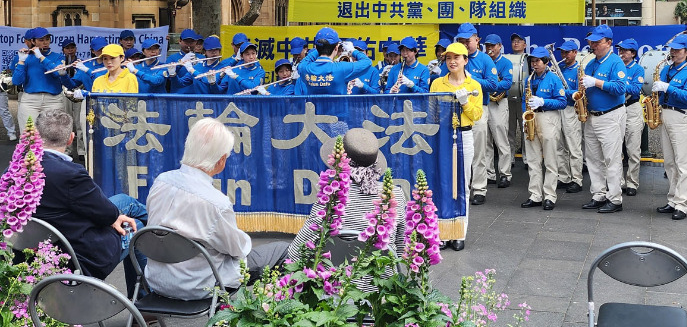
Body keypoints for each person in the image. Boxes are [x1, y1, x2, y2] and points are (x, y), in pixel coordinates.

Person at [145, 118, 288, 298]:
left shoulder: (160, 181)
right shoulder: (216, 203)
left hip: (157, 280)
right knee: (283, 250)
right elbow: (237, 250)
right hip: (198, 285)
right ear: (221, 160)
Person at [32, 110, 147, 291]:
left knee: (125, 201)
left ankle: (162, 232)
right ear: (71, 138)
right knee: (137, 227)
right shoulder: (71, 174)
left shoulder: (15, 169)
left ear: (36, 136)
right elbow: (105, 214)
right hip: (76, 255)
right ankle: (144, 298)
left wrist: (113, 217)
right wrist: (112, 218)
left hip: (36, 245)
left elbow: (106, 212)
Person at [287, 128, 406, 285]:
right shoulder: (395, 194)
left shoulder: (330, 196)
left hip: (332, 288)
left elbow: (296, 252)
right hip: (379, 289)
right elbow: (398, 249)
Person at [430, 42, 483, 251]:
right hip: (442, 137)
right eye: (448, 58)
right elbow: (431, 112)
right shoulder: (437, 84)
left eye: (457, 58)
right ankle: (443, 233)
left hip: (464, 135)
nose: (452, 61)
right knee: (442, 184)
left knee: (462, 185)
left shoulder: (474, 85)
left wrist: (465, 102)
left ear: (465, 60)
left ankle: (459, 232)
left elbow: (476, 115)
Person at [651, 33, 687, 220]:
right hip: (668, 114)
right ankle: (672, 199)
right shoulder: (667, 69)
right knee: (670, 162)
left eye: (677, 50)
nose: (673, 52)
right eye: (672, 49)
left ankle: (681, 203)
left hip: (683, 116)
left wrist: (667, 88)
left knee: (683, 163)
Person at [580, 25, 626, 213]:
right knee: (593, 158)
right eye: (592, 42)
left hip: (611, 115)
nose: (593, 45)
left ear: (609, 43)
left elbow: (620, 88)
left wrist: (597, 83)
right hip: (592, 115)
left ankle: (615, 199)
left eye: (598, 42)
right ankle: (598, 194)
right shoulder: (590, 63)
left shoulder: (616, 62)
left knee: (611, 159)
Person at [453, 23, 497, 207]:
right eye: (461, 41)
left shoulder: (485, 60)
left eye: (467, 41)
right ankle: (461, 188)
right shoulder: (454, 59)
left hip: (478, 109)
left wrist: (470, 78)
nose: (465, 44)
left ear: (477, 40)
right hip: (455, 112)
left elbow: (493, 85)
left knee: (478, 152)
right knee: (457, 152)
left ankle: (479, 188)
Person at [520, 46, 567, 211]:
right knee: (532, 160)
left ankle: (550, 196)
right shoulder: (529, 79)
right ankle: (535, 195)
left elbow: (562, 102)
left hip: (548, 117)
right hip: (532, 118)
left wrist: (543, 102)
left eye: (538, 61)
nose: (534, 64)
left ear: (546, 62)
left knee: (550, 159)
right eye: (532, 61)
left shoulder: (553, 79)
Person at [12, 27, 67, 128]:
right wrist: (21, 61)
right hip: (30, 100)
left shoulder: (58, 56)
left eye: (47, 39)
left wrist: (41, 56)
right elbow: (17, 81)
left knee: (53, 135)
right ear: (33, 41)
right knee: (29, 135)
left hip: (53, 100)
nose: (45, 42)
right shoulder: (26, 56)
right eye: (41, 40)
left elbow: (56, 73)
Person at [296, 28, 373, 95]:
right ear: (336, 48)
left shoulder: (305, 68)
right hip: (338, 112)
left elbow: (304, 62)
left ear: (316, 47)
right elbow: (367, 62)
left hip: (315, 112)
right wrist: (353, 51)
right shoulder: (341, 68)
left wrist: (321, 47)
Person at [482, 34, 513, 188]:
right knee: (485, 141)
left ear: (500, 46)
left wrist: (492, 86)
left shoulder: (505, 63)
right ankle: (489, 173)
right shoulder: (482, 60)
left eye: (493, 45)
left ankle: (505, 174)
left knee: (501, 140)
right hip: (484, 102)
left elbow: (507, 83)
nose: (490, 48)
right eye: (488, 45)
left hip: (499, 103)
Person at [616, 39, 645, 197]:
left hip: (632, 108)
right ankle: (618, 181)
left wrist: (619, 84)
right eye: (620, 50)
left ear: (633, 53)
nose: (621, 53)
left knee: (633, 149)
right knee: (616, 149)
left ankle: (632, 182)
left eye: (625, 51)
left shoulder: (638, 69)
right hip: (617, 108)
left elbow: (635, 89)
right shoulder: (616, 66)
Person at [556, 40, 583, 193]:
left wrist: (563, 93)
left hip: (571, 110)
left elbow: (577, 93)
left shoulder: (579, 70)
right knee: (560, 145)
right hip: (559, 108)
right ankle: (564, 176)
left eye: (567, 52)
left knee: (574, 146)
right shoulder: (558, 67)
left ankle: (577, 179)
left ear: (575, 53)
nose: (564, 55)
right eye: (563, 52)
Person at [508, 32, 528, 169]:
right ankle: (510, 158)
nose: (516, 43)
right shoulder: (507, 59)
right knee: (509, 130)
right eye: (514, 41)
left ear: (525, 45)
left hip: (524, 99)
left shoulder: (529, 59)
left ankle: (527, 159)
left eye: (519, 41)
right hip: (509, 98)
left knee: (525, 129)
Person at [164, 29, 200, 93]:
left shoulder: (201, 57)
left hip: (197, 95)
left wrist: (199, 65)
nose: (189, 45)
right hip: (178, 95)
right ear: (180, 41)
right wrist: (181, 62)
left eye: (191, 42)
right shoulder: (172, 58)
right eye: (186, 42)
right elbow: (167, 77)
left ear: (196, 42)